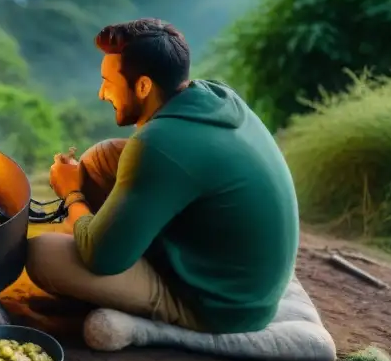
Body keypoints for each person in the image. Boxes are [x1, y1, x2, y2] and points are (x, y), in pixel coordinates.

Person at [27, 18, 299, 335]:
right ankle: (119, 250)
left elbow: (101, 259)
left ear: (143, 86)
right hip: (231, 266)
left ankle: (108, 291)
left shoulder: (160, 145)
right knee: (101, 159)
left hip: (221, 304)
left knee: (42, 254)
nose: (102, 93)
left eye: (108, 82)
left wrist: (71, 192)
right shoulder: (213, 96)